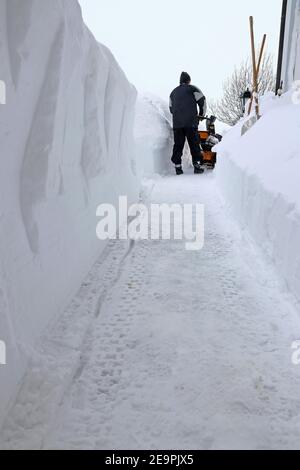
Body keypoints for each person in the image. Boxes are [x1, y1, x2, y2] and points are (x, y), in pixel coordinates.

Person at [169, 72, 207, 175]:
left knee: (178, 145)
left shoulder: (173, 93)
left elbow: (171, 109)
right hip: (191, 122)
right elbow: (202, 101)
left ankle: (178, 167)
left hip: (177, 124)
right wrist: (201, 115)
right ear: (188, 80)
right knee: (194, 143)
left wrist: (179, 115)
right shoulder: (193, 88)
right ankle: (197, 165)